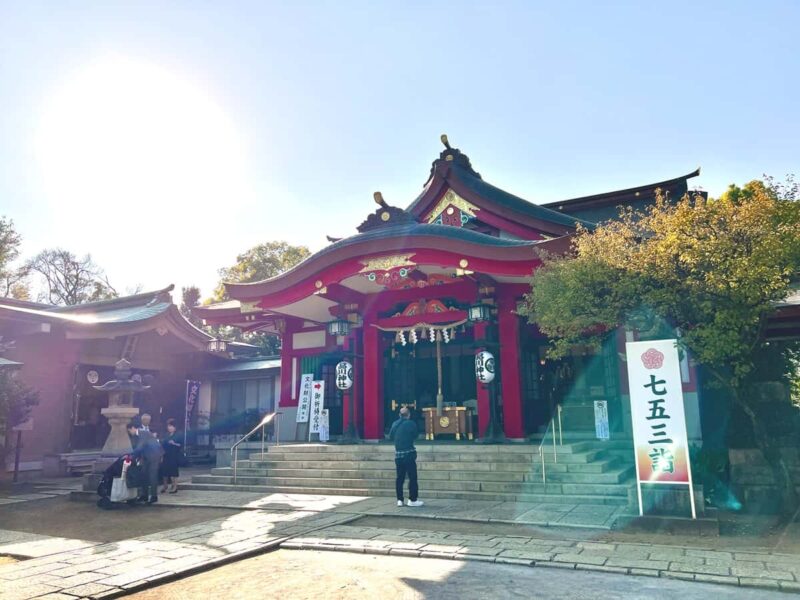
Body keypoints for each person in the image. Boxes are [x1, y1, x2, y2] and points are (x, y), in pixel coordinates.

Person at [389, 406, 423, 507]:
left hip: (398, 455)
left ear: (399, 415)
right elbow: (415, 435)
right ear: (408, 415)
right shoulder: (411, 423)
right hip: (408, 453)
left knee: (400, 478)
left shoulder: (394, 424)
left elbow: (390, 437)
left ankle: (399, 500)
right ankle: (412, 500)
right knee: (412, 477)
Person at [132, 420, 163, 504]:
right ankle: (144, 495)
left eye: (129, 430)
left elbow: (139, 447)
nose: (130, 432)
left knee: (152, 476)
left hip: (154, 456)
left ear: (133, 428)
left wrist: (132, 456)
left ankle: (154, 496)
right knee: (143, 474)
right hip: (145, 456)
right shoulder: (136, 436)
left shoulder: (143, 433)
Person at [159, 418, 183, 494]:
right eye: (169, 426)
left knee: (173, 471)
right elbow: (163, 444)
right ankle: (165, 485)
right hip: (166, 454)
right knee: (164, 471)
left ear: (175, 427)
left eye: (171, 426)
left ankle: (174, 486)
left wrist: (174, 443)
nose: (170, 428)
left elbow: (181, 445)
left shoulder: (178, 434)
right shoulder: (166, 435)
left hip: (174, 455)